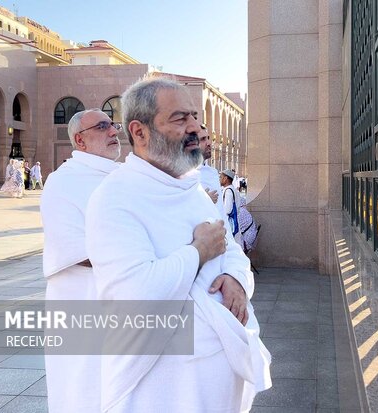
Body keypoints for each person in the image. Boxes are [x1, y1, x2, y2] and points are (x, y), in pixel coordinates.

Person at [85, 77, 271, 413]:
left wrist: (238, 283)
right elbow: (137, 295)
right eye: (180, 119)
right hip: (160, 385)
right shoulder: (114, 198)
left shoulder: (191, 189)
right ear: (139, 132)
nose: (196, 129)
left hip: (217, 379)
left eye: (195, 117)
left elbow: (231, 251)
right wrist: (198, 252)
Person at [40, 108, 122, 413]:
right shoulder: (63, 182)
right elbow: (75, 250)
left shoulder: (124, 176)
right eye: (103, 127)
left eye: (113, 125)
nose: (114, 132)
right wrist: (140, 259)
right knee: (83, 389)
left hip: (123, 302)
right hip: (82, 303)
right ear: (80, 140)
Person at [197, 124, 223, 213]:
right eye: (203, 139)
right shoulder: (180, 174)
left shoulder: (213, 172)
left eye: (208, 138)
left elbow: (220, 208)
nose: (209, 143)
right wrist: (204, 201)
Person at [221, 168, 243, 246]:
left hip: (229, 224)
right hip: (234, 222)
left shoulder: (228, 191)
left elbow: (227, 209)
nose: (219, 179)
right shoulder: (233, 189)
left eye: (221, 177)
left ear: (226, 178)